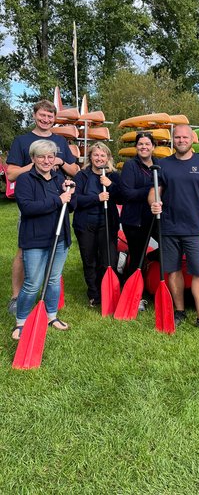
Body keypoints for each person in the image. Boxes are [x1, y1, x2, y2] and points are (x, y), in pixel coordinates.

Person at [6, 100, 79, 315]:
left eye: (50, 116)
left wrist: (59, 162)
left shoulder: (60, 141)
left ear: (54, 118)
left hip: (57, 198)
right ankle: (17, 297)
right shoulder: (22, 141)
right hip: (33, 199)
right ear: (34, 115)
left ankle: (49, 300)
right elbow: (11, 174)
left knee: (56, 245)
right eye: (42, 115)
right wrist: (38, 163)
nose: (46, 120)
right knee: (25, 251)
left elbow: (75, 170)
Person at [149, 124, 199, 333]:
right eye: (177, 137)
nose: (181, 140)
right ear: (173, 140)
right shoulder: (163, 164)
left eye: (185, 137)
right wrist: (153, 203)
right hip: (169, 227)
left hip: (195, 227)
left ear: (192, 139)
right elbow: (154, 192)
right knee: (173, 270)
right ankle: (179, 311)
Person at [12, 140, 76, 340]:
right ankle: (21, 322)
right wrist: (58, 200)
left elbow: (70, 207)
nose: (46, 161)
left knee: (54, 279)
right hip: (35, 239)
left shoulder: (59, 178)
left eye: (50, 157)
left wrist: (69, 192)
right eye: (41, 157)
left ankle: (51, 316)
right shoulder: (25, 179)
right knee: (32, 283)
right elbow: (27, 208)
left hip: (59, 238)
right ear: (33, 158)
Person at [73, 143, 121, 307]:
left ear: (108, 158)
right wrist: (97, 198)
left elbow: (122, 197)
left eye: (102, 155)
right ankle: (94, 294)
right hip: (86, 224)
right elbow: (75, 200)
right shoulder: (82, 176)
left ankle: (108, 290)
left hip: (107, 223)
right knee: (90, 260)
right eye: (96, 155)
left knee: (109, 260)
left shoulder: (113, 176)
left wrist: (110, 185)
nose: (99, 158)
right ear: (90, 157)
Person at [119, 132, 157, 310]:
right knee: (137, 257)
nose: (144, 147)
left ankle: (150, 263)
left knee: (169, 246)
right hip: (134, 220)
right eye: (140, 144)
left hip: (154, 218)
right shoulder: (130, 165)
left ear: (153, 146)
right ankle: (135, 295)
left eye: (147, 144)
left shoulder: (159, 164)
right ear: (136, 147)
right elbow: (127, 193)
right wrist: (152, 189)